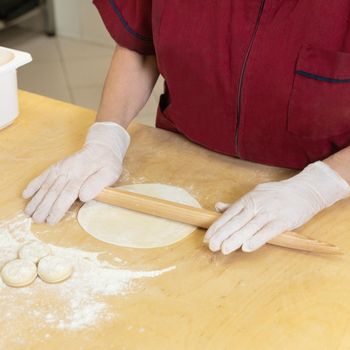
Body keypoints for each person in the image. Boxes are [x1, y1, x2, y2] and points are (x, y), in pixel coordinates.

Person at [23, 1, 350, 255]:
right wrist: (107, 134)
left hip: (326, 193)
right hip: (180, 162)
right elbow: (140, 43)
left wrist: (315, 188)